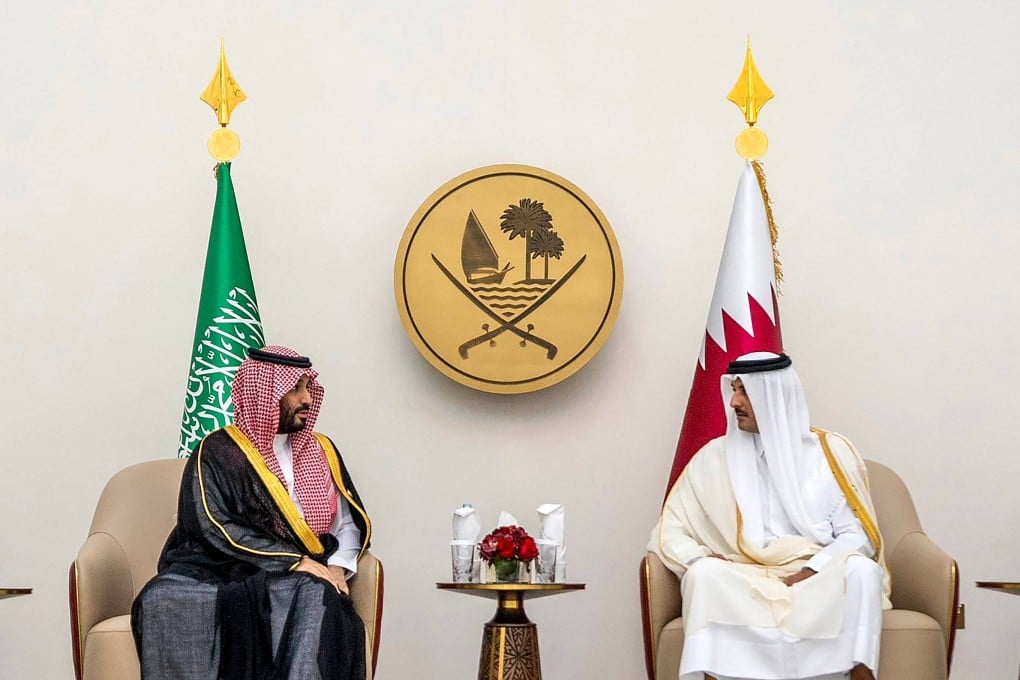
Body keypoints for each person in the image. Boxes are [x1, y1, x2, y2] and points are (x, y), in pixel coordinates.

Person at [132, 345, 371, 680]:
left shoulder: (322, 450)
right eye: (296, 388)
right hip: (219, 567)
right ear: (265, 394)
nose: (307, 399)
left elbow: (346, 525)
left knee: (314, 595)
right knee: (160, 598)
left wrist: (336, 568)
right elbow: (213, 525)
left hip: (295, 577)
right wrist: (293, 560)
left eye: (308, 387)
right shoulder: (217, 451)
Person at [649, 352, 889, 680]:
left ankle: (858, 674)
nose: (733, 402)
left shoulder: (830, 453)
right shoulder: (713, 458)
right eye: (734, 389)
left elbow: (856, 536)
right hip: (744, 575)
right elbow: (671, 530)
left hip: (815, 574)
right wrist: (700, 557)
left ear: (775, 396)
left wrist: (812, 569)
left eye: (744, 392)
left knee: (862, 571)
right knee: (703, 574)